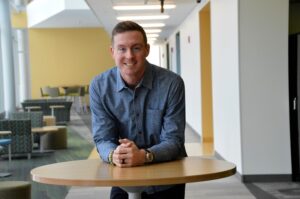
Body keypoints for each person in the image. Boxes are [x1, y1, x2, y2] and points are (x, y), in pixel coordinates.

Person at [89, 21, 187, 199]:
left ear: (147, 50)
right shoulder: (99, 86)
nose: (129, 56)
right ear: (112, 52)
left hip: (167, 178)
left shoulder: (172, 84)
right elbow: (103, 138)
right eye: (121, 49)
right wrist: (114, 155)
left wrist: (144, 156)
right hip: (124, 176)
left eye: (136, 48)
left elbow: (174, 140)